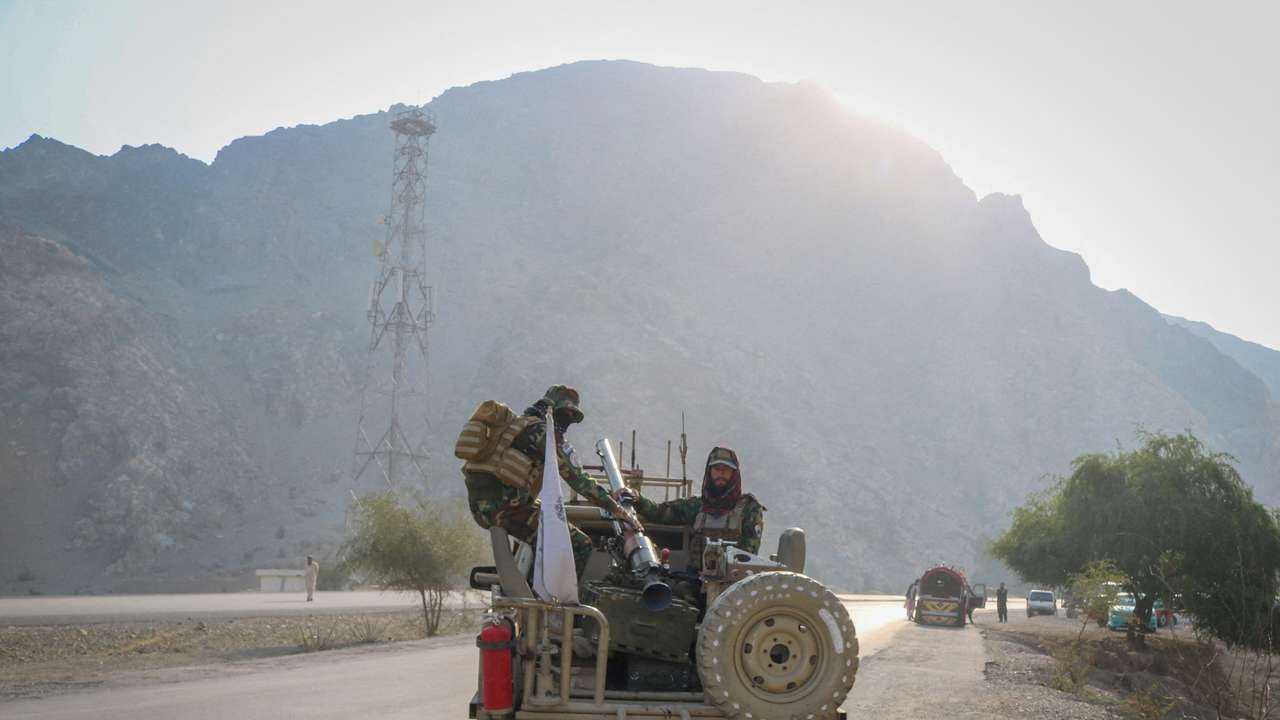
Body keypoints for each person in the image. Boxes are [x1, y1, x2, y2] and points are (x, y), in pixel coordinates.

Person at [462, 385, 637, 575]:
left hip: (484, 509)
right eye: (566, 413)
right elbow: (577, 480)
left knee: (547, 524)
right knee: (580, 544)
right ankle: (554, 601)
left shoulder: (518, 427)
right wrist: (616, 509)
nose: (569, 420)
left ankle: (530, 584)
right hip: (507, 511)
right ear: (554, 410)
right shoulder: (542, 434)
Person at [627, 447, 765, 572]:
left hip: (730, 583)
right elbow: (660, 512)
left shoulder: (749, 509)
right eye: (716, 469)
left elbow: (749, 556)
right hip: (695, 581)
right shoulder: (697, 506)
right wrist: (637, 498)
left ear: (734, 473)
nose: (721, 474)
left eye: (726, 469)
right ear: (709, 472)